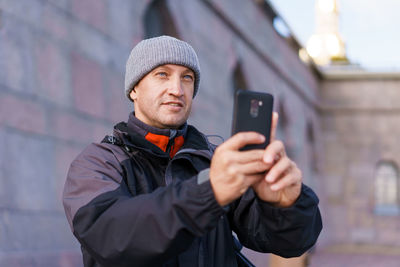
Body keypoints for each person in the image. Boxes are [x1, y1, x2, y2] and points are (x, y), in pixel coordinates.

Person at [63, 35, 322, 267]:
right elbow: (112, 236)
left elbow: (289, 244)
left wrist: (284, 206)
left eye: (186, 77)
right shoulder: (97, 163)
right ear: (134, 89)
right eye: (162, 74)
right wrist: (209, 192)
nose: (177, 89)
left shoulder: (216, 162)